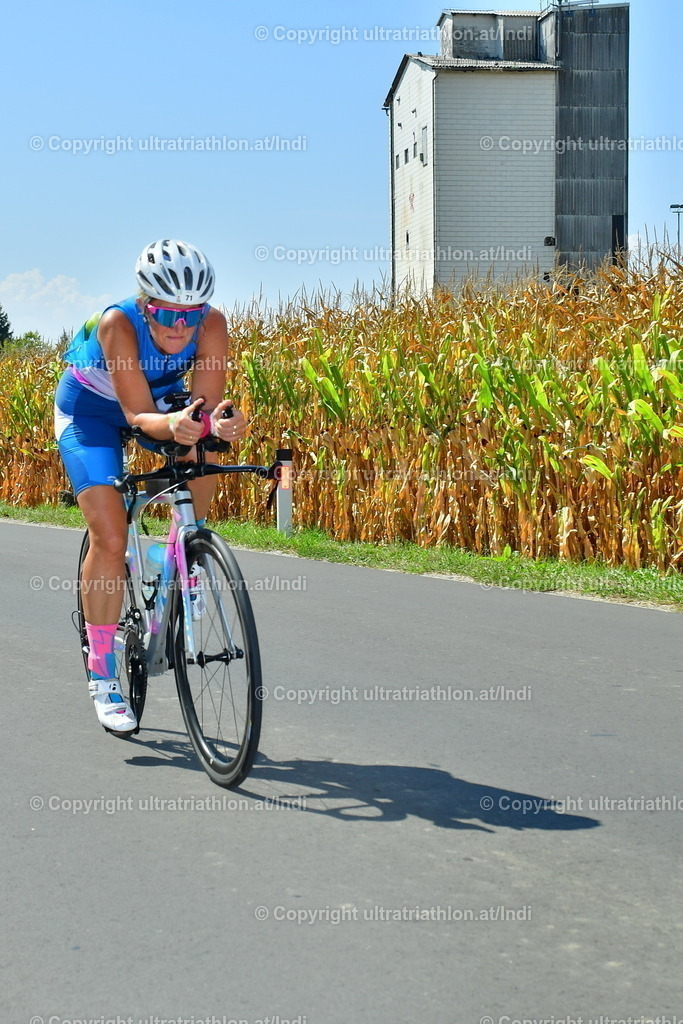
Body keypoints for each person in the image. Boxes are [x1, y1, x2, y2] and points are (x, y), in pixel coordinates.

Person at [54, 239, 247, 735]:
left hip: (160, 401)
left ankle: (183, 556)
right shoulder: (118, 324)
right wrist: (178, 423)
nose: (180, 327)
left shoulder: (212, 324)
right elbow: (138, 415)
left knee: (203, 450)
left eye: (191, 315)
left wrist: (221, 424)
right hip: (91, 413)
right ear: (145, 304)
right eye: (167, 314)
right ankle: (102, 673)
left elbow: (206, 406)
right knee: (111, 537)